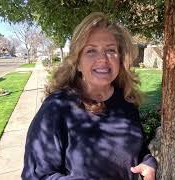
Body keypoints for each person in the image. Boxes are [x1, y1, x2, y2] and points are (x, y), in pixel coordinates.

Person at [22, 12, 157, 180]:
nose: (103, 59)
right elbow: (37, 176)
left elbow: (136, 151)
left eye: (110, 50)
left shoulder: (126, 102)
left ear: (120, 58)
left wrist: (148, 162)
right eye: (91, 51)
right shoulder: (56, 108)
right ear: (77, 62)